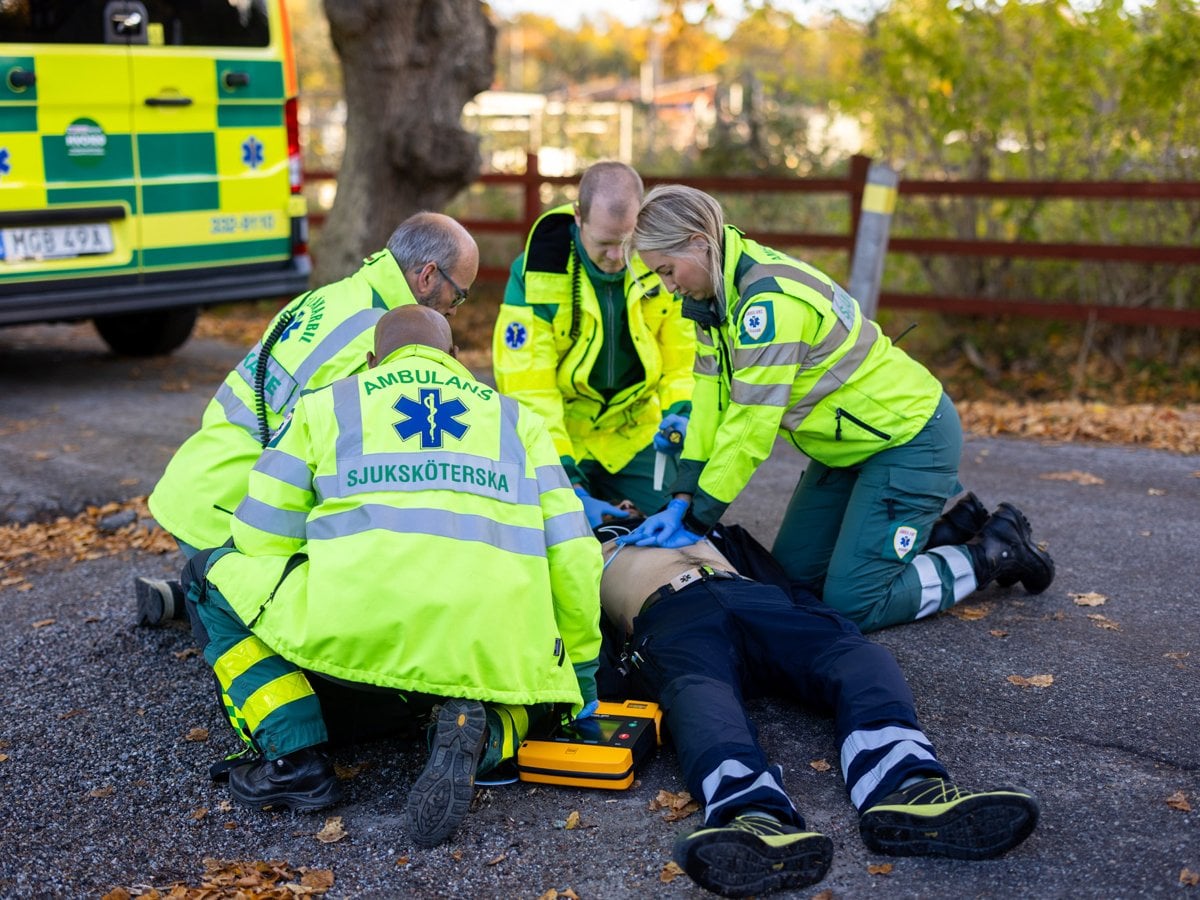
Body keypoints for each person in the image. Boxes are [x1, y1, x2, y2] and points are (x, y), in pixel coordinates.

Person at [179, 305, 603, 847]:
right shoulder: (517, 420)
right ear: (455, 357)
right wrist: (580, 679)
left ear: (371, 360)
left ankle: (293, 755)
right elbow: (576, 556)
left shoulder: (327, 405)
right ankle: (486, 736)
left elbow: (260, 537)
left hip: (357, 635)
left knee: (208, 576)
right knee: (544, 692)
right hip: (487, 644)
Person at [618, 185, 1055, 632]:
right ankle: (952, 530)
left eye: (668, 270)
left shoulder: (770, 304)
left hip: (909, 438)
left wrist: (698, 517)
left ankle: (992, 551)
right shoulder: (716, 300)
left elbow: (750, 425)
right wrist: (681, 496)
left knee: (854, 604)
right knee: (795, 583)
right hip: (846, 449)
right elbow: (710, 403)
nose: (669, 287)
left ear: (699, 243)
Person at [593, 517, 1040, 898]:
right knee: (700, 698)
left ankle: (910, 786)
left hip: (757, 600)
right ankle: (754, 817)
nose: (627, 505)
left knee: (860, 659)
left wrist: (822, 622)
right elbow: (584, 624)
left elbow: (780, 577)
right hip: (670, 616)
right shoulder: (587, 542)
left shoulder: (706, 524)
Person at [137, 212, 479, 625]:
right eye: (459, 296)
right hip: (239, 516)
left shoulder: (332, 296)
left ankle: (203, 590)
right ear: (427, 276)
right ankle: (218, 598)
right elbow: (356, 478)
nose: (455, 311)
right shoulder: (379, 347)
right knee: (339, 617)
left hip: (199, 489)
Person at [492, 161, 695, 528]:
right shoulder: (535, 274)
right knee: (544, 530)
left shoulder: (661, 261)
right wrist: (568, 483)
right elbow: (529, 390)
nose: (617, 257)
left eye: (627, 242)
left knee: (681, 522)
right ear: (578, 217)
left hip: (635, 436)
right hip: (563, 438)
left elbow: (683, 362)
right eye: (604, 244)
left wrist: (681, 415)